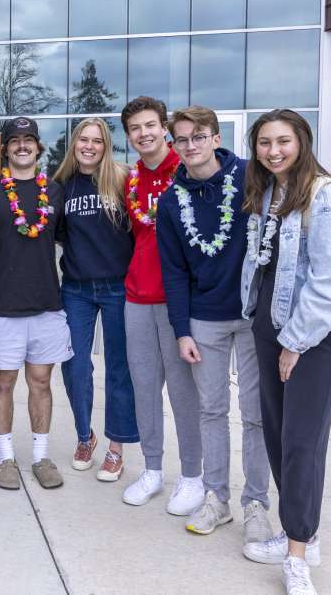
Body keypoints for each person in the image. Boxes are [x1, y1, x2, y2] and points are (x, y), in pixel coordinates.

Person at [240, 110, 331, 595]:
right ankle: (301, 534)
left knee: (301, 445)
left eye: (283, 141)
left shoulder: (327, 197)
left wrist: (294, 342)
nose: (273, 150)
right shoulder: (269, 192)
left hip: (314, 340)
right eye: (265, 142)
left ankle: (297, 558)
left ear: (303, 142)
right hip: (270, 330)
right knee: (277, 437)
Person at [155, 106, 273, 543]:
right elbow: (173, 271)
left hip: (252, 316)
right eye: (182, 139)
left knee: (257, 414)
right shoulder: (171, 201)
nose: (190, 146)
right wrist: (182, 329)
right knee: (211, 411)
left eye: (199, 136)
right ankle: (216, 498)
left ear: (216, 136)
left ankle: (257, 504)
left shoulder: (251, 178)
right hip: (204, 321)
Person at [117, 97, 205, 514]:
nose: (144, 133)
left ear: (164, 127)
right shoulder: (130, 180)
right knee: (145, 389)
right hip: (136, 296)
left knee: (184, 394)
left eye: (150, 125)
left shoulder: (187, 171)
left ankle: (192, 476)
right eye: (135, 128)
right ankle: (152, 468)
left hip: (177, 302)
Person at [0, 116, 72, 490]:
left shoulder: (54, 191)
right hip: (2, 305)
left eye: (28, 140)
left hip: (47, 305)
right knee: (3, 382)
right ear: (5, 148)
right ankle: (5, 458)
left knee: (41, 382)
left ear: (38, 146)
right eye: (14, 140)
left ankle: (40, 456)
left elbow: (69, 240)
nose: (22, 146)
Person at [52, 117, 139, 482]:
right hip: (76, 288)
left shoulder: (121, 180)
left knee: (120, 367)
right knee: (74, 365)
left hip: (119, 287)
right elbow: (53, 236)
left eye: (97, 141)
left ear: (107, 146)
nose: (89, 146)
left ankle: (115, 448)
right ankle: (84, 437)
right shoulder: (61, 187)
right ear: (74, 145)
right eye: (82, 140)